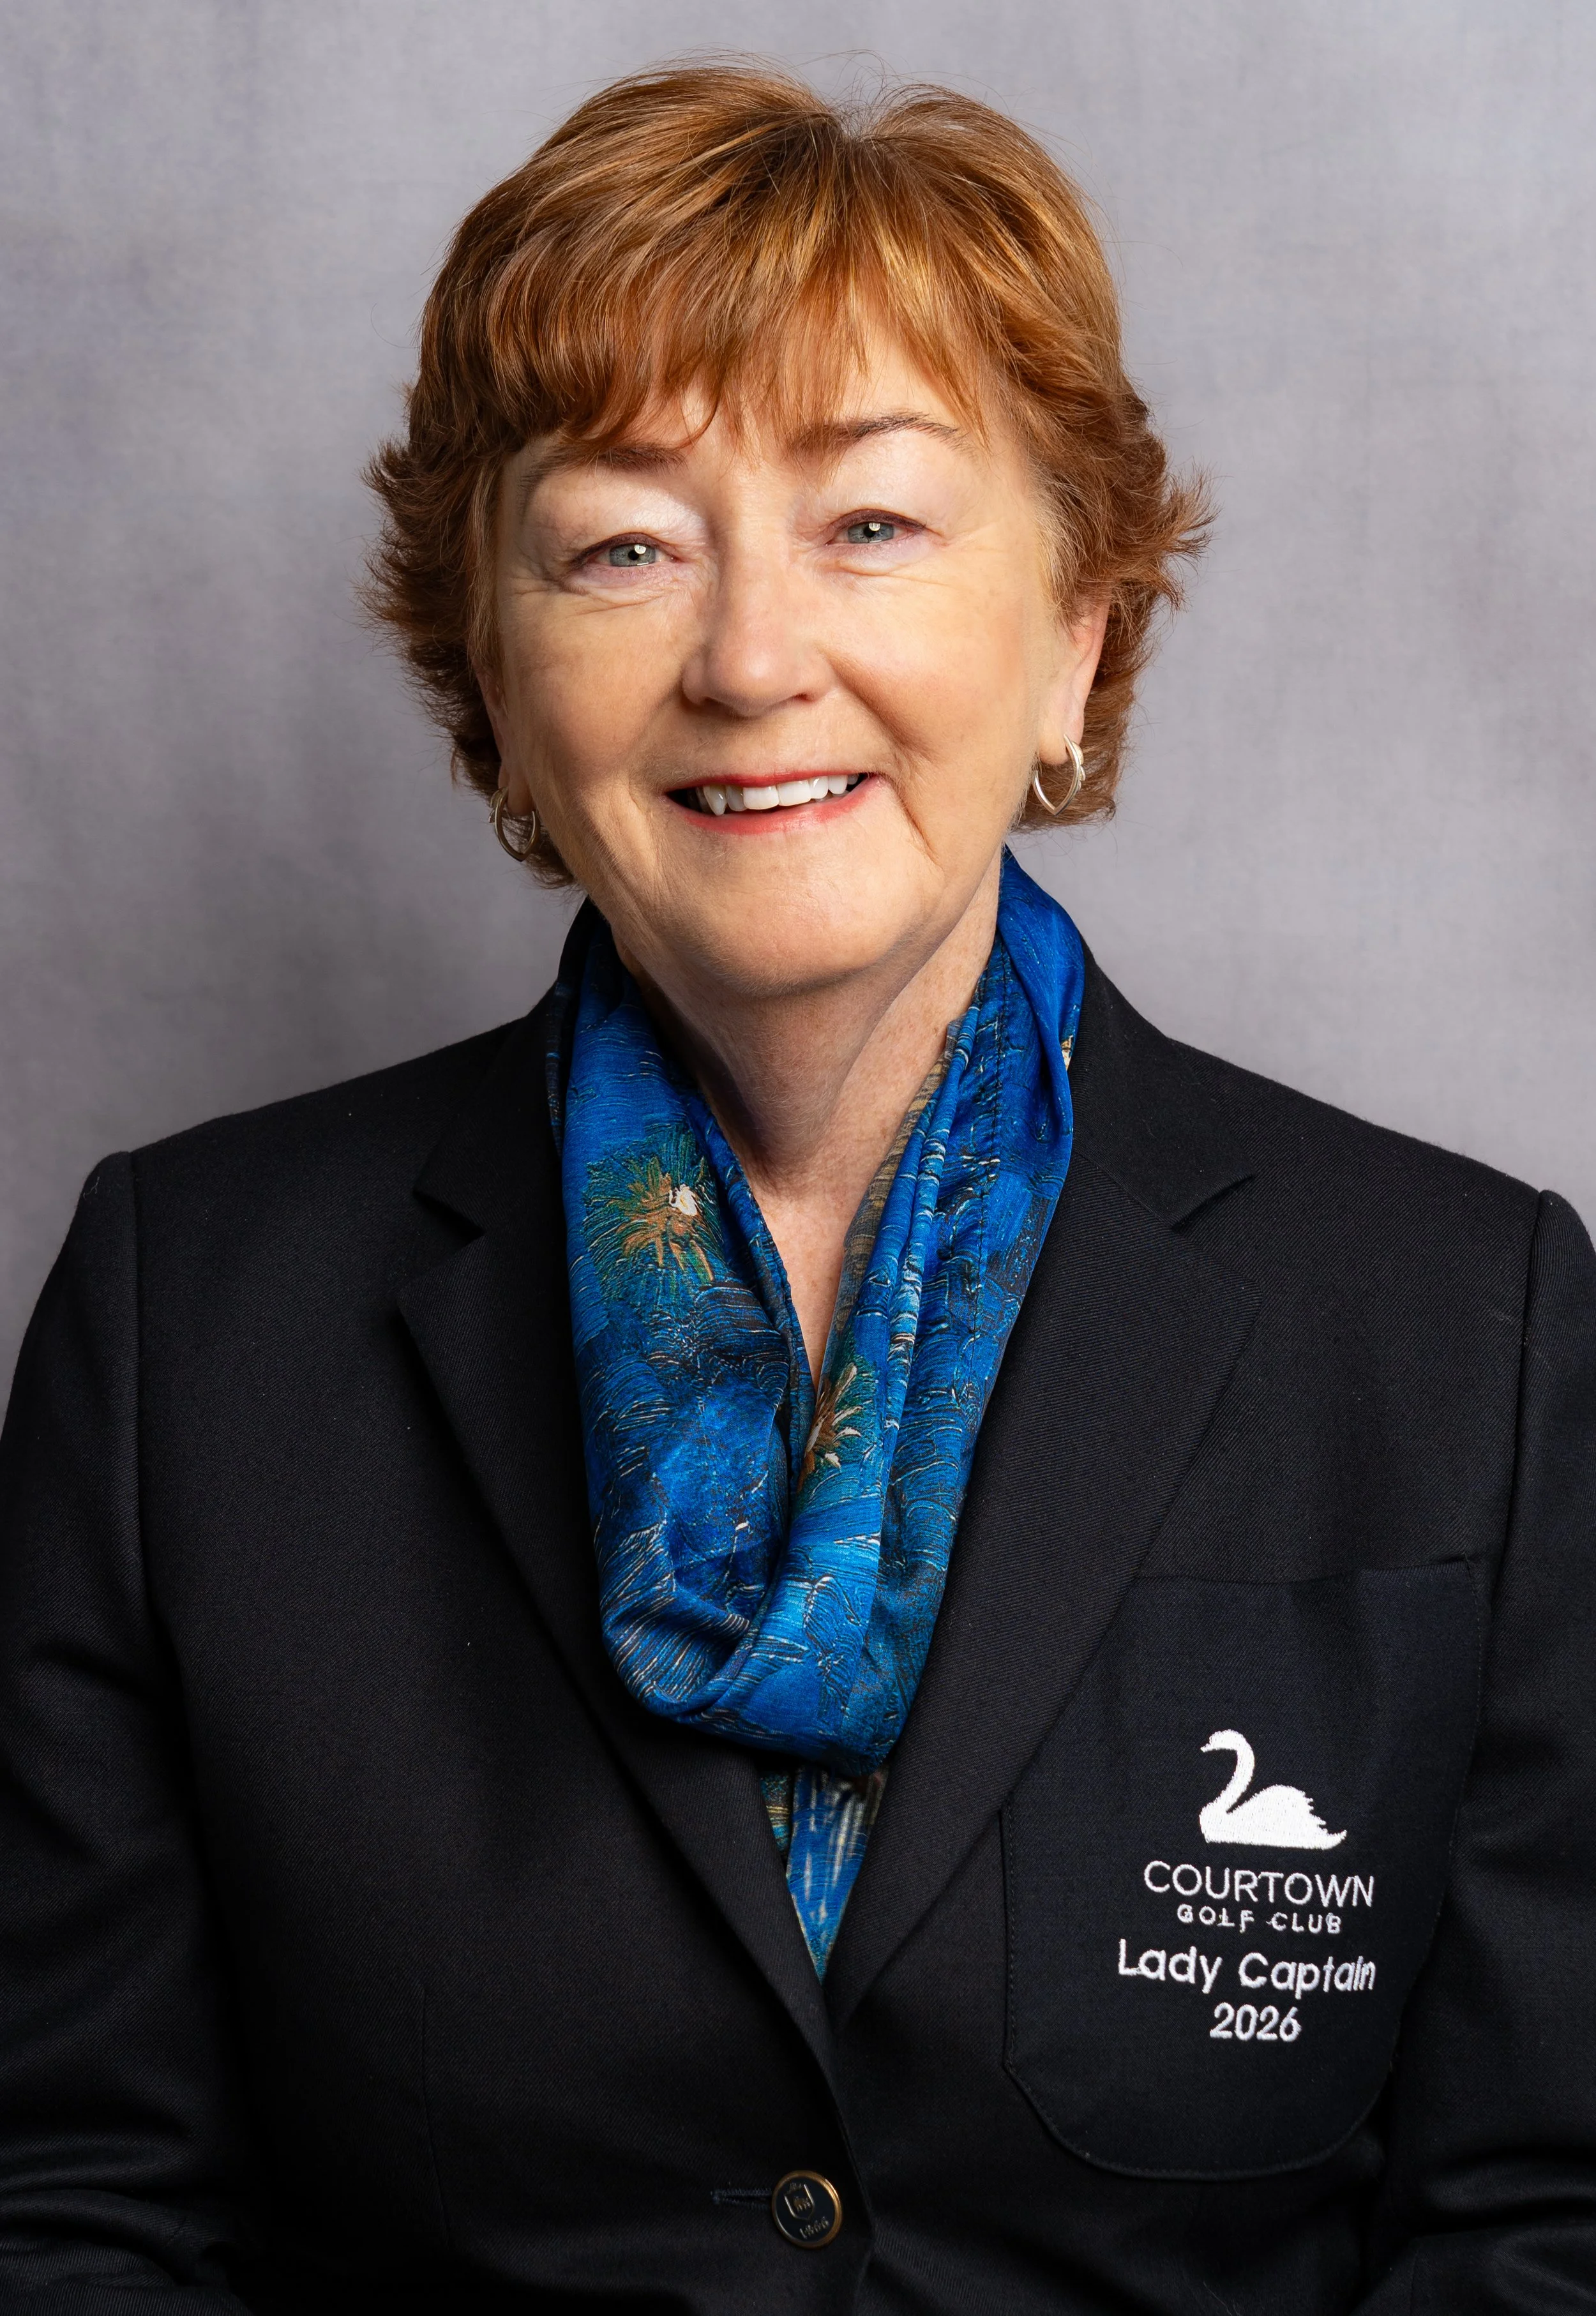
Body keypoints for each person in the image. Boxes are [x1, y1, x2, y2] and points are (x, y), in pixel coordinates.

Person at [1, 60, 1592, 2316]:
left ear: (1078, 635)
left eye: (872, 523)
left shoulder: (1463, 1329)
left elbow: (1542, 2223)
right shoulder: (195, 1322)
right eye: (622, 543)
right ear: (494, 674)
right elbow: (71, 2208)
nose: (752, 659)